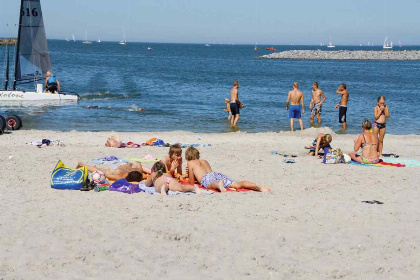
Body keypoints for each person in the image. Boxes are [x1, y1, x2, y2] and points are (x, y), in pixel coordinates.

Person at [185, 147, 271, 192]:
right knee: (237, 184)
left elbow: (191, 182)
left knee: (211, 184)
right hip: (217, 175)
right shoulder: (204, 161)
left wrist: (189, 174)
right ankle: (256, 185)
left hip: (207, 178)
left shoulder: (190, 163)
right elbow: (210, 173)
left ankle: (219, 185)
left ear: (188, 157)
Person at [77, 161, 150, 181]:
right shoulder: (122, 177)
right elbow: (108, 176)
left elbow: (138, 163)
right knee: (102, 172)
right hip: (115, 169)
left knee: (103, 170)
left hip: (123, 164)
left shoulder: (138, 170)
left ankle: (95, 167)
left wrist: (131, 163)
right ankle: (82, 164)